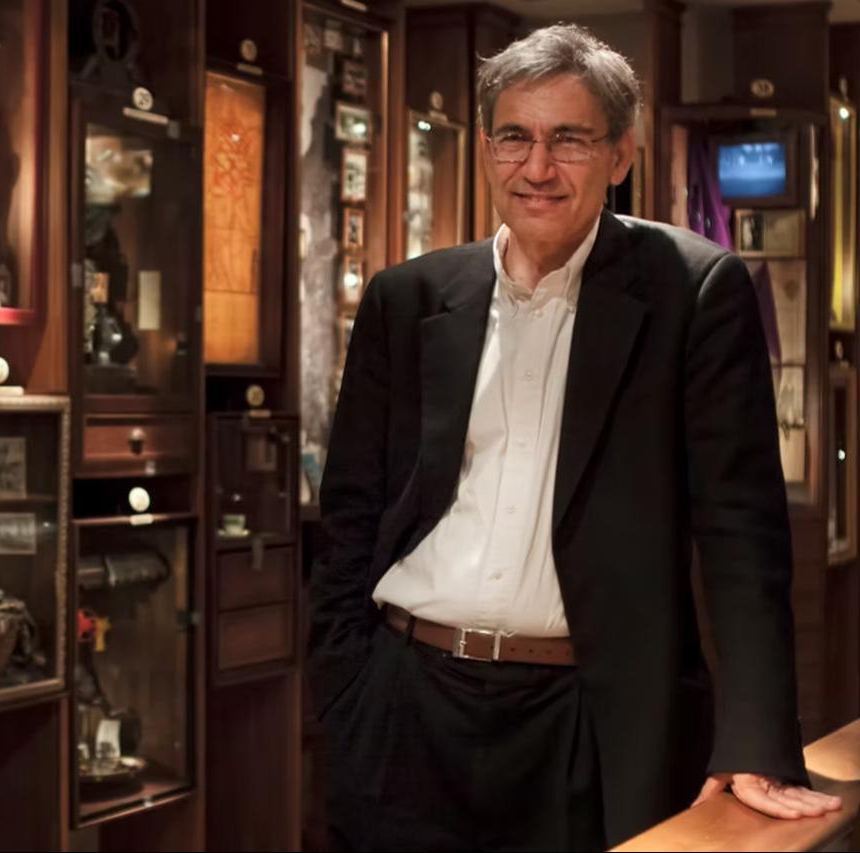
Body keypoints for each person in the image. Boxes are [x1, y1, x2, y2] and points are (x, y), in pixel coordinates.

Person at [308, 24, 842, 851]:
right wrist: (344, 691)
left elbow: (743, 535)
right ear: (487, 149)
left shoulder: (693, 292)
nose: (537, 168)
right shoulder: (405, 299)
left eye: (569, 140)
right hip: (404, 706)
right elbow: (347, 518)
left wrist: (758, 741)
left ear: (620, 155)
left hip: (585, 716)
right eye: (514, 137)